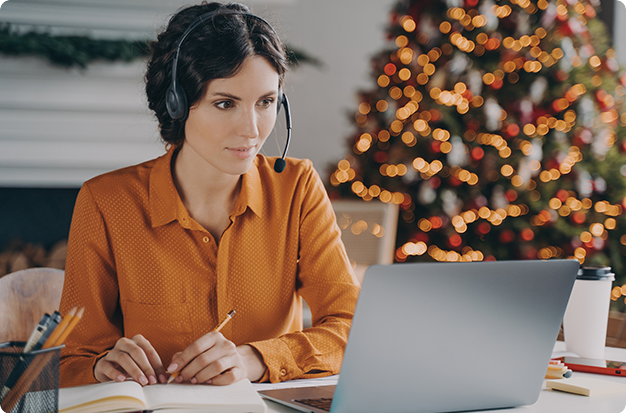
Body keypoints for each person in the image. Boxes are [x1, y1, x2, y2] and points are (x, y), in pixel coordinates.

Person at [58, 2, 360, 388]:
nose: (251, 130)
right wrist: (101, 367)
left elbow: (350, 328)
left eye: (266, 102)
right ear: (176, 104)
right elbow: (71, 360)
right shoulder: (106, 203)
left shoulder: (297, 188)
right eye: (225, 103)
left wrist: (255, 359)